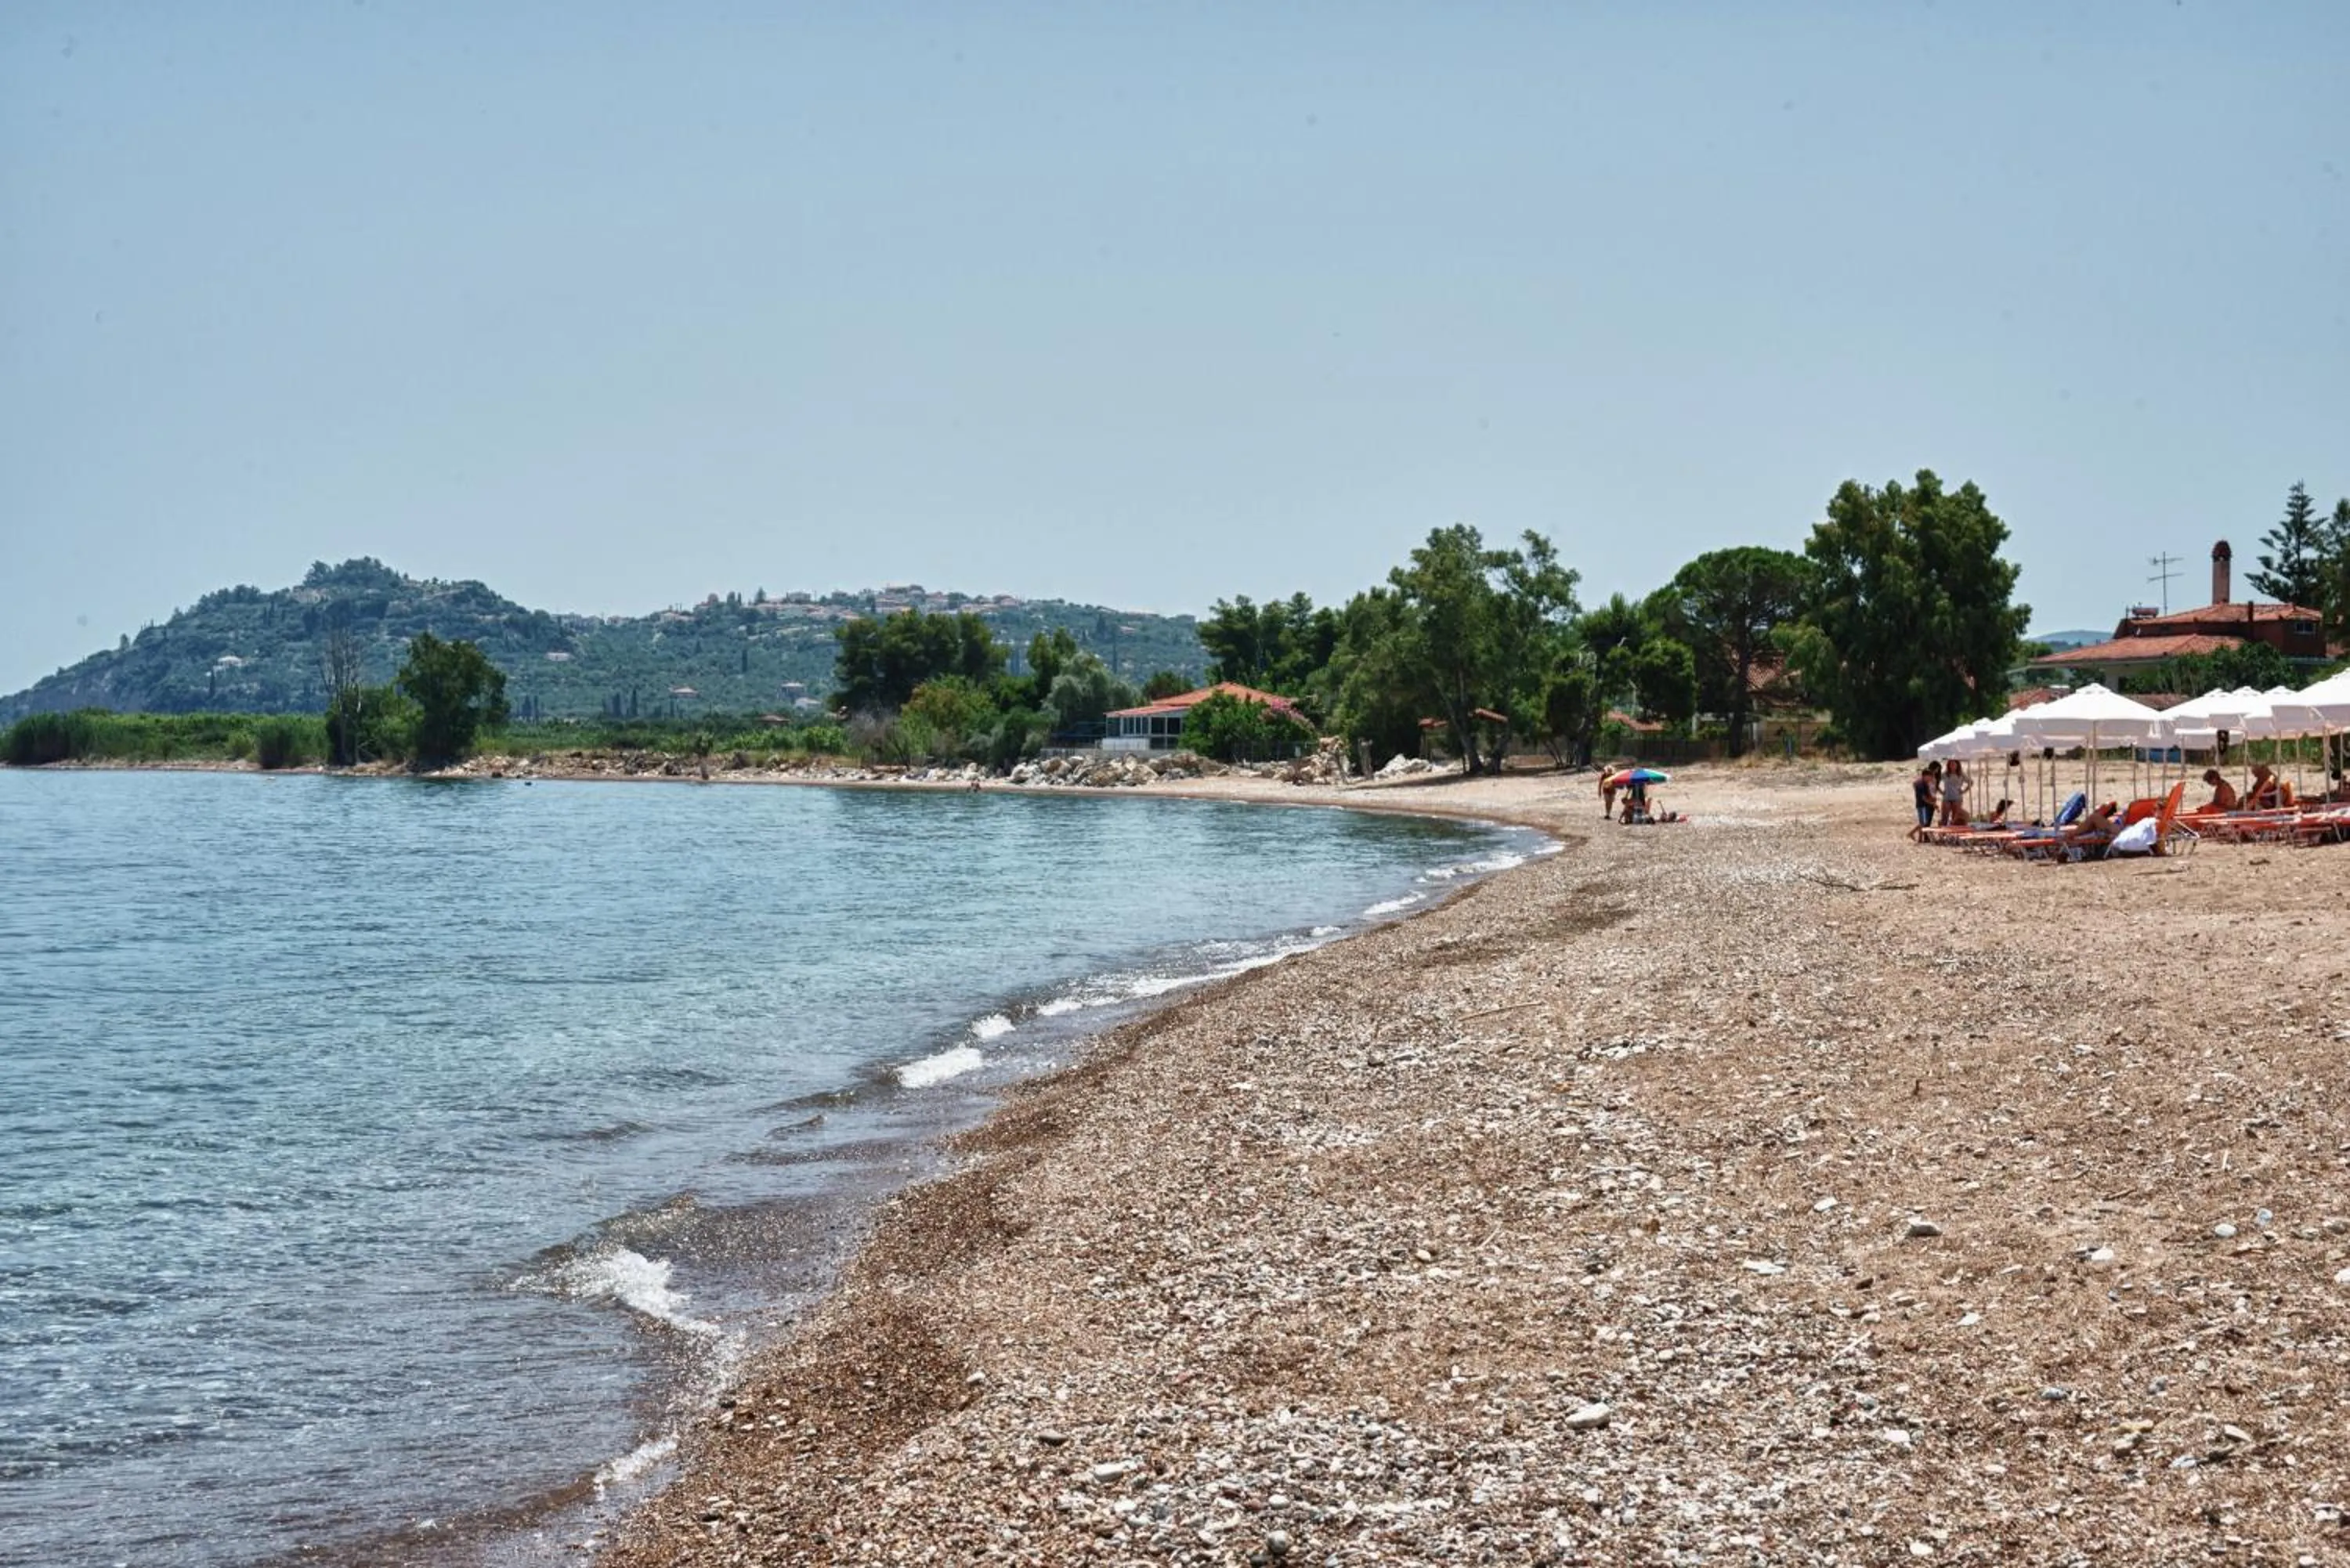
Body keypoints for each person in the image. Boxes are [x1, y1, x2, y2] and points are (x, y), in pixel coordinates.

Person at [1910, 761, 1940, 841]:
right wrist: (1933, 803)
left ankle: (1920, 838)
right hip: (1921, 805)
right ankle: (1912, 833)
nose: (1930, 779)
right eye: (1929, 777)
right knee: (1923, 822)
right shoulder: (1920, 784)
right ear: (1926, 776)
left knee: (1923, 822)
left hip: (1924, 804)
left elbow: (1929, 793)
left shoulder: (1925, 783)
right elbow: (1924, 798)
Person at [1939, 757, 1971, 828]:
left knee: (1955, 819)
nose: (1952, 766)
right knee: (1944, 818)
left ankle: (1952, 833)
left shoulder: (1961, 774)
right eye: (1951, 764)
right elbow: (1936, 782)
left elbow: (1970, 782)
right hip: (1947, 798)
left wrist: (1964, 791)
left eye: (1954, 764)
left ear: (1957, 765)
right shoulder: (1945, 774)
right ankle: (1943, 832)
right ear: (1948, 765)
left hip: (1957, 798)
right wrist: (1941, 791)